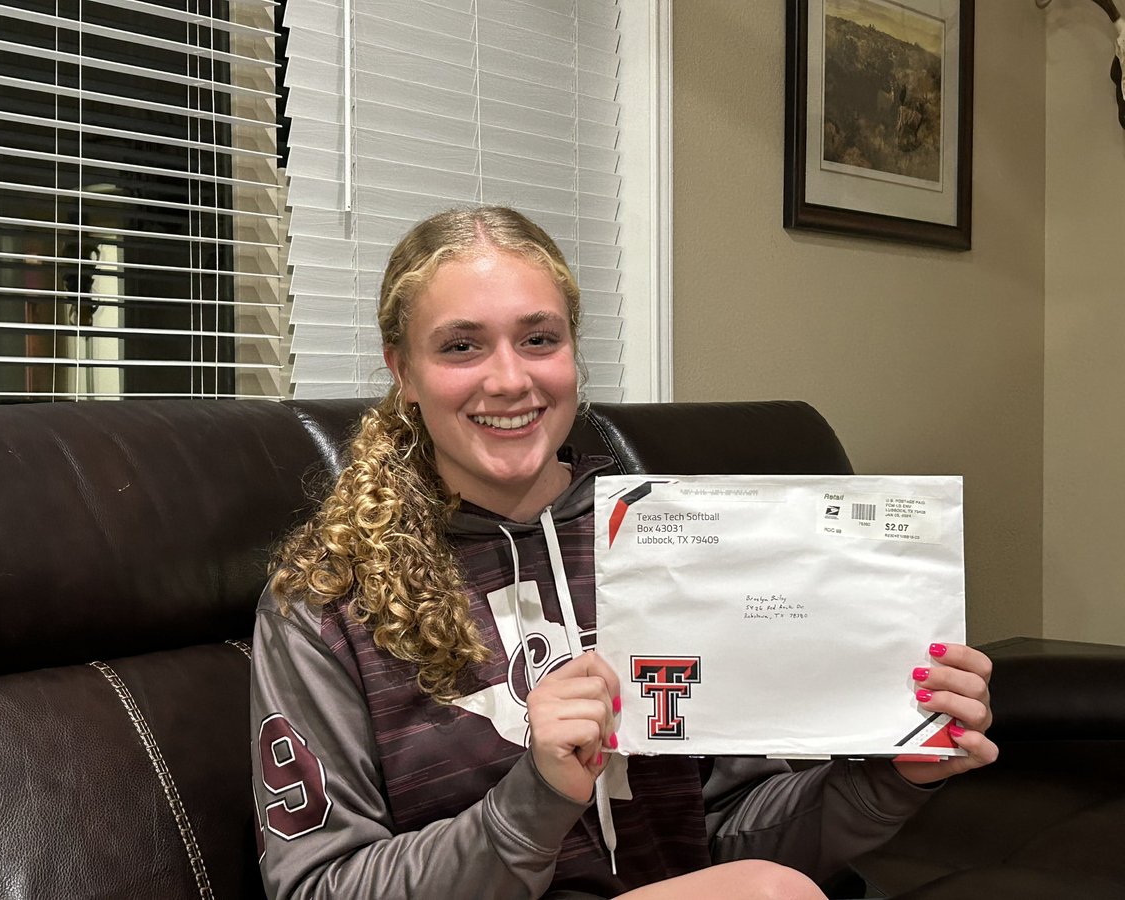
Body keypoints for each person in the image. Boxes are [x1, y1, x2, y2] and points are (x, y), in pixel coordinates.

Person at [249, 206, 997, 899]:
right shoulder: (325, 600)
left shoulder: (665, 545)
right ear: (403, 372)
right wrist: (532, 799)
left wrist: (892, 774)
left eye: (539, 338)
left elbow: (732, 833)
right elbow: (319, 886)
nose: (510, 379)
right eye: (461, 346)